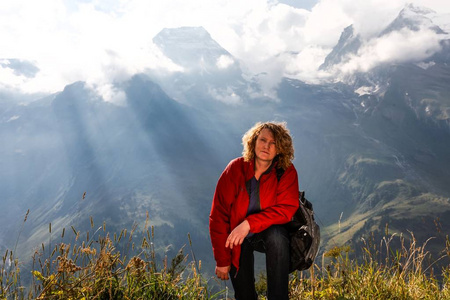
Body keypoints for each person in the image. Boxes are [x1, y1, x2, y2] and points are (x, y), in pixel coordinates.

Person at [209, 121, 299, 300]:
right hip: (238, 236)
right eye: (262, 140)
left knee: (277, 235)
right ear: (253, 142)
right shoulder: (236, 169)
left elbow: (286, 209)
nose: (266, 146)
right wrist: (222, 260)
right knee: (244, 295)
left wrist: (249, 224)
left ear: (280, 148)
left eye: (273, 143)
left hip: (268, 233)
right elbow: (218, 216)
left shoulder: (286, 172)